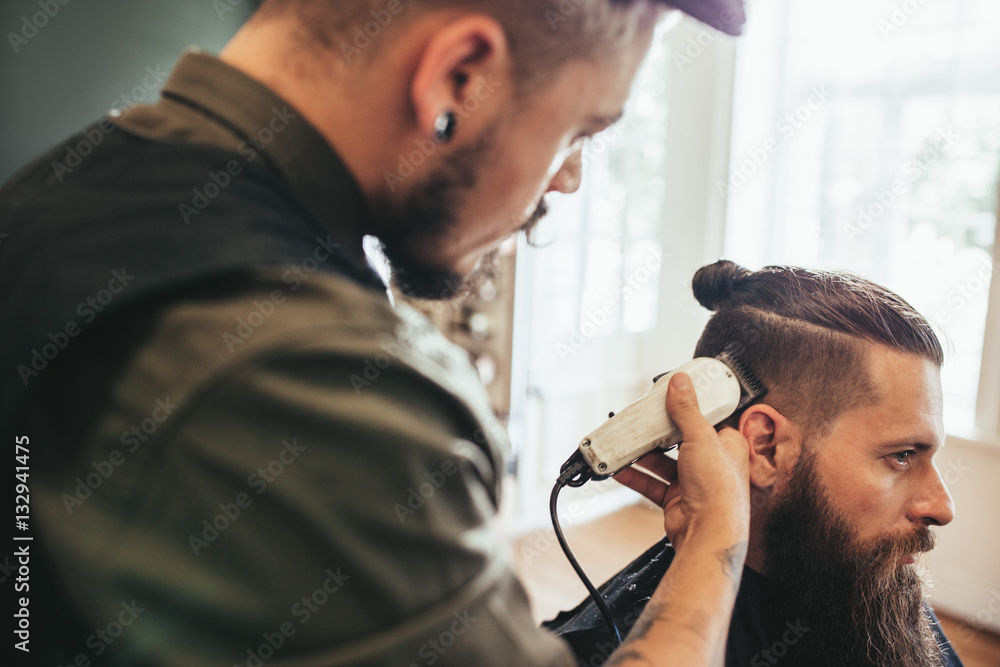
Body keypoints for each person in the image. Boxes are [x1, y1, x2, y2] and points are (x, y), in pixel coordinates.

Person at [0, 1, 754, 665]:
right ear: (460, 77)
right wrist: (714, 541)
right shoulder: (312, 378)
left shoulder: (68, 178)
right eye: (580, 130)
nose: (569, 179)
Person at [545, 259, 965, 667]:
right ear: (765, 446)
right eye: (902, 456)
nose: (942, 508)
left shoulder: (869, 588)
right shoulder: (603, 648)